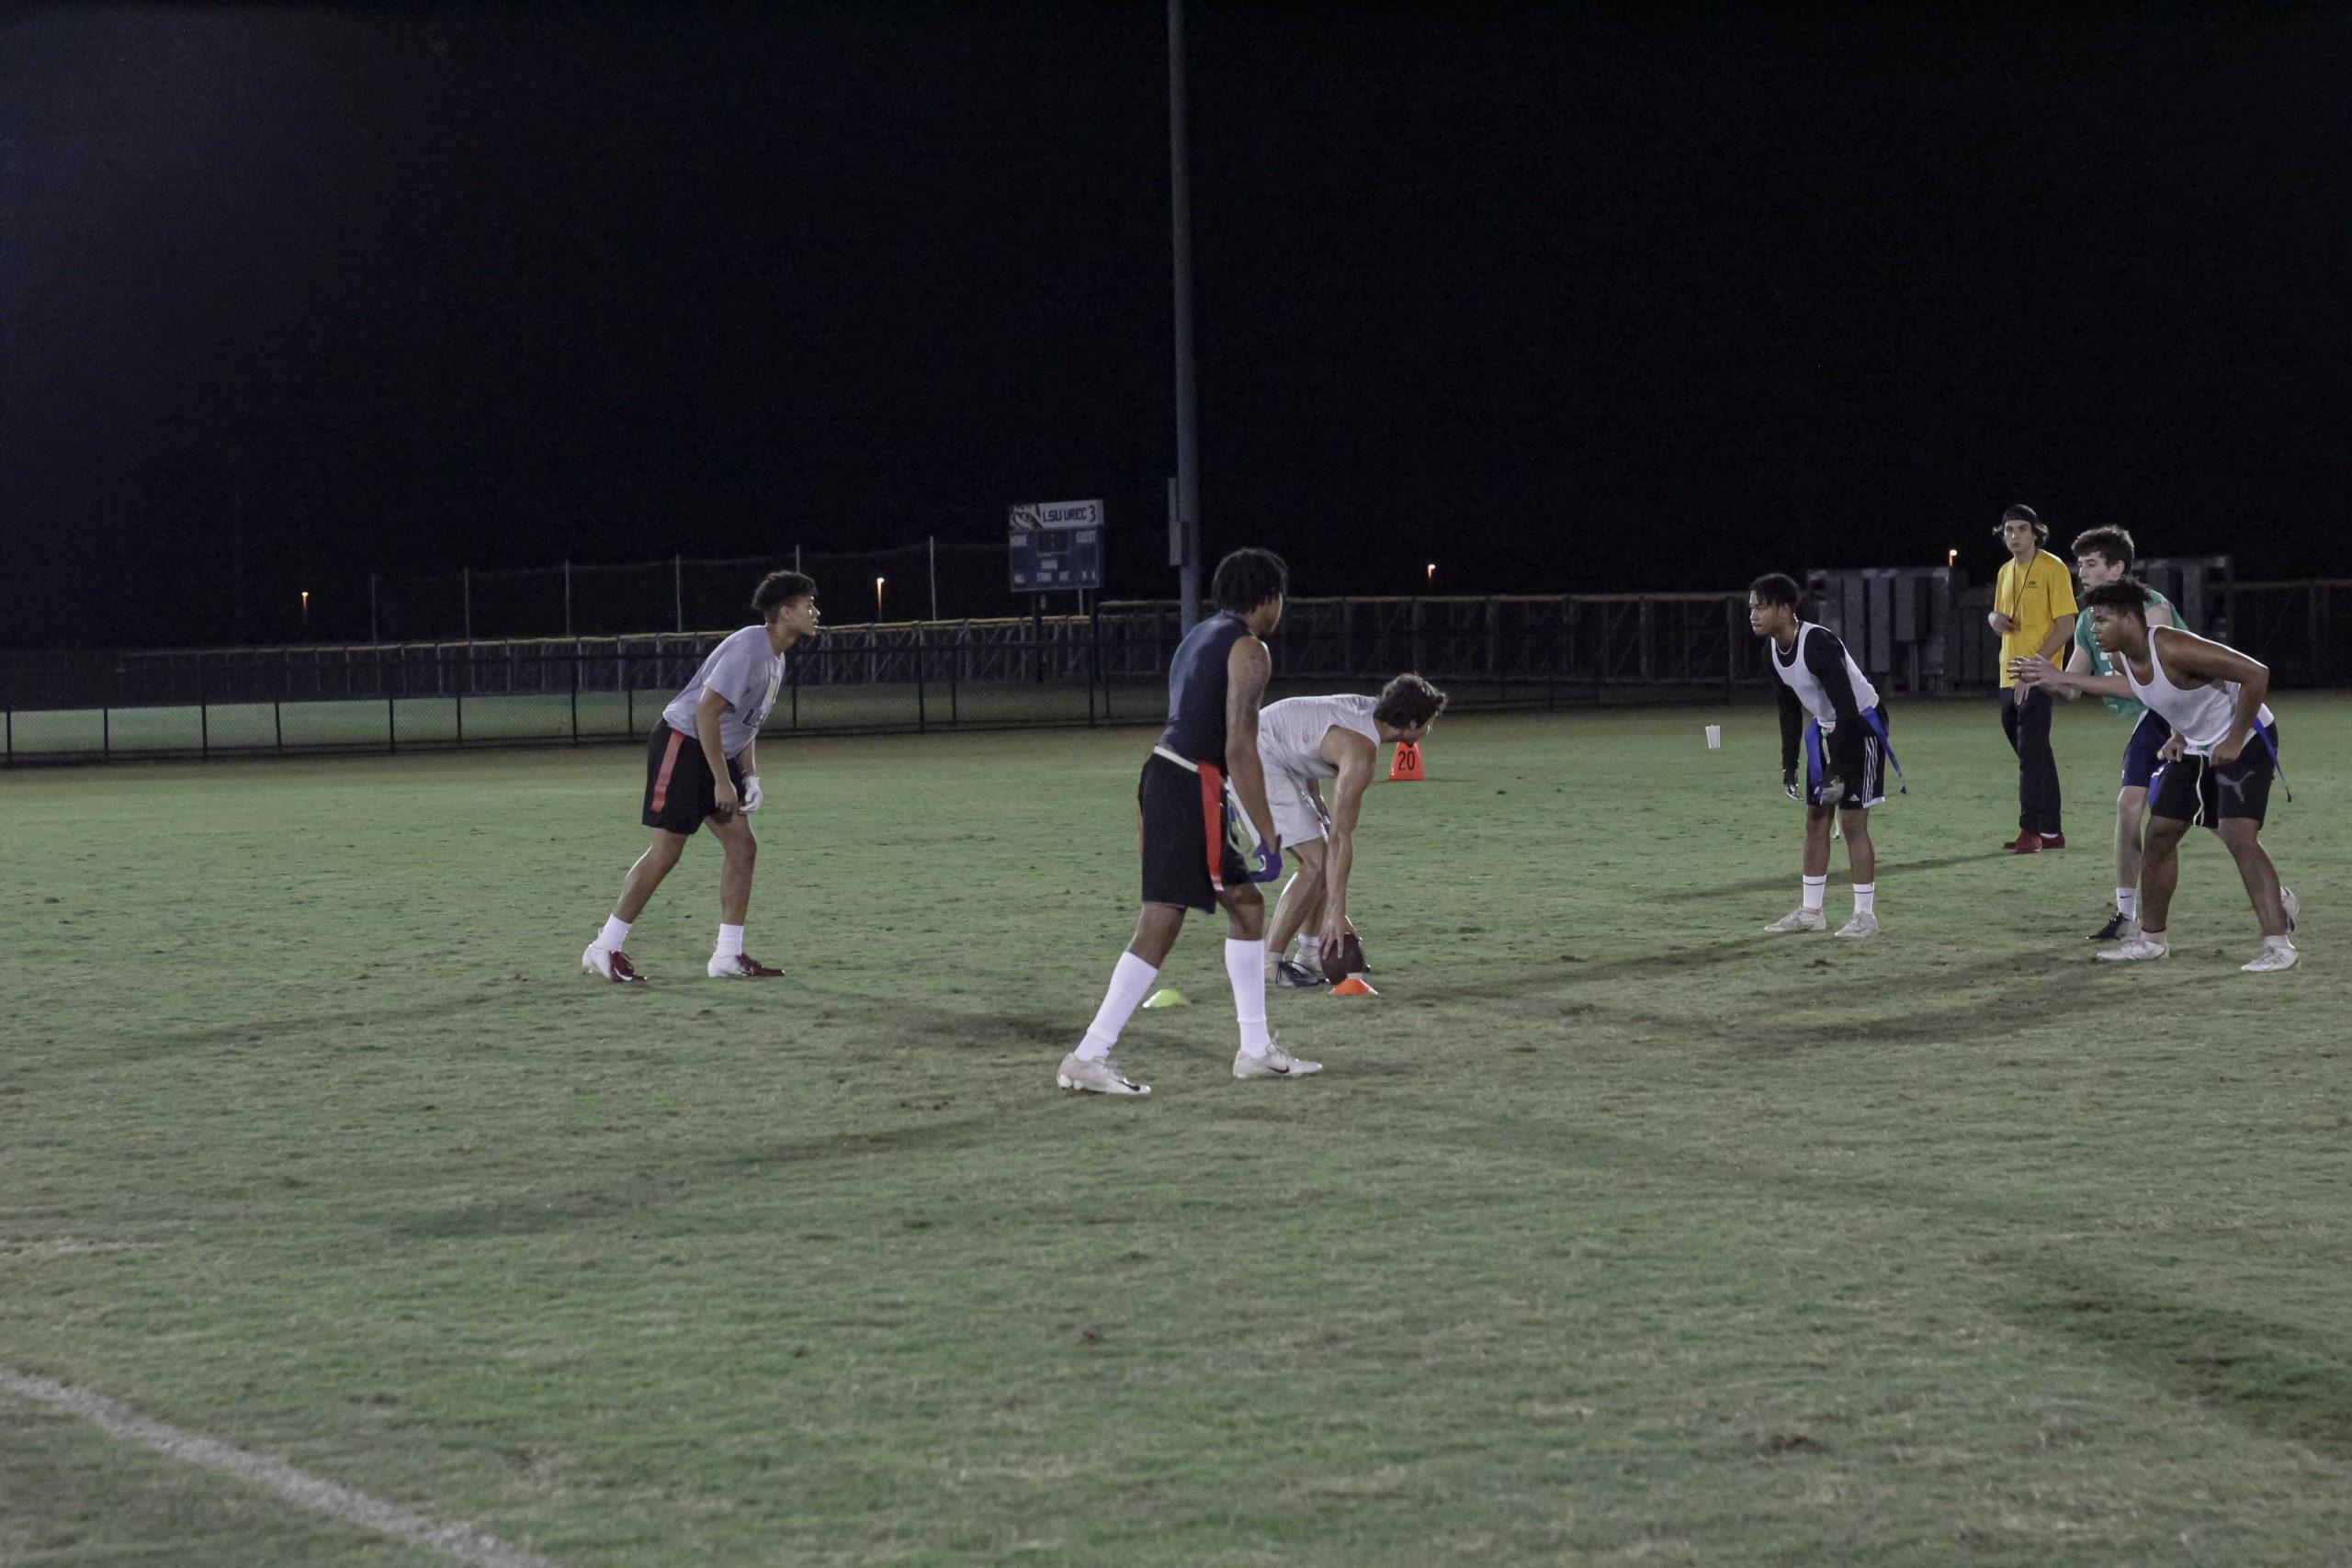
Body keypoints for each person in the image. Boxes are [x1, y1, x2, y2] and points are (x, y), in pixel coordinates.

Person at [1056, 548, 1314, 1095]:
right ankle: (1088, 1055)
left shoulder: (1199, 635)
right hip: (1189, 782)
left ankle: (1255, 1049)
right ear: (1268, 599)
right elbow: (1240, 746)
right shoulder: (1251, 648)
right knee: (1162, 921)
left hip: (1165, 775)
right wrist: (1268, 832)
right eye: (1281, 599)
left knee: (1246, 908)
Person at [2014, 579, 2299, 972]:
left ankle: (2278, 947)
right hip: (2197, 744)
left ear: (2131, 619)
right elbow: (2155, 693)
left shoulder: (2170, 644)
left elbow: (2255, 674)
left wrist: (2234, 739)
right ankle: (2152, 941)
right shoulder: (2120, 657)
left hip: (2247, 737)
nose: (2094, 630)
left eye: (2101, 620)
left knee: (2239, 836)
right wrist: (2178, 734)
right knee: (2160, 834)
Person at [581, 570, 821, 983]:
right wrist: (721, 780)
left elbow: (746, 724)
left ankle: (727, 956)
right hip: (683, 743)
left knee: (743, 848)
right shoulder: (750, 647)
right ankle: (604, 947)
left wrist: (749, 777)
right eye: (808, 605)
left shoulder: (776, 655)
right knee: (667, 849)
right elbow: (705, 712)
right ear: (785, 612)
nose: (815, 612)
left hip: (711, 751)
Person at [1259, 675, 1450, 987]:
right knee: (1317, 862)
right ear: (1413, 723)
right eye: (1428, 721)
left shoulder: (1369, 715)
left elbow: (1306, 731)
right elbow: (1340, 837)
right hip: (1258, 756)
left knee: (1321, 859)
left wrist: (1316, 797)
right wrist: (1338, 912)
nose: (1430, 727)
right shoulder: (1361, 753)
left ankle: (1309, 954)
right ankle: (1270, 964)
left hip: (1273, 751)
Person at [1748, 573, 1894, 939]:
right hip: (1829, 727)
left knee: (1852, 822)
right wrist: (1789, 764)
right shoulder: (1772, 651)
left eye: (1761, 606)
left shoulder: (1817, 643)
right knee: (1816, 818)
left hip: (1861, 727)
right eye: (1751, 607)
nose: (1753, 614)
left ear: (1785, 608)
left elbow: (1848, 709)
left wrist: (1839, 771)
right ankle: (1811, 911)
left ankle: (1865, 916)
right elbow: (1788, 711)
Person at [2061, 527, 2182, 941]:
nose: (2083, 572)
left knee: (2218, 824)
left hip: (2188, 717)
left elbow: (2154, 680)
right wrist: (2038, 675)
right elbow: (2072, 686)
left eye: (2091, 563)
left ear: (2118, 567)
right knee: (2129, 806)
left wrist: (2058, 677)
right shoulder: (2087, 619)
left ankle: (2277, 896)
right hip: (2152, 719)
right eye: (2080, 565)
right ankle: (2126, 917)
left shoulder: (2150, 606)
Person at [1989, 503, 2077, 853]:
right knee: (2036, 754)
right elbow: (2000, 618)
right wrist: (1992, 618)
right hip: (2007, 676)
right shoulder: (2004, 572)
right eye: (2009, 530)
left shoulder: (2053, 568)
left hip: (2037, 676)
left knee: (2031, 756)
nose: (2014, 536)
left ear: (2036, 532)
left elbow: (2066, 626)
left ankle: (2030, 832)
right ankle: (2052, 831)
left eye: (2021, 529)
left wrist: (2034, 667)